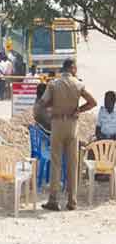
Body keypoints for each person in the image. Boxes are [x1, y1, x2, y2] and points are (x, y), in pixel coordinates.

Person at [40, 59, 97, 211]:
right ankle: (72, 201)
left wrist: (52, 108)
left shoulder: (53, 84)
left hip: (57, 124)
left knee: (56, 163)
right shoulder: (78, 84)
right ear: (72, 68)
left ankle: (53, 200)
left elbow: (42, 103)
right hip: (73, 125)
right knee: (73, 164)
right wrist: (79, 110)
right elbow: (93, 102)